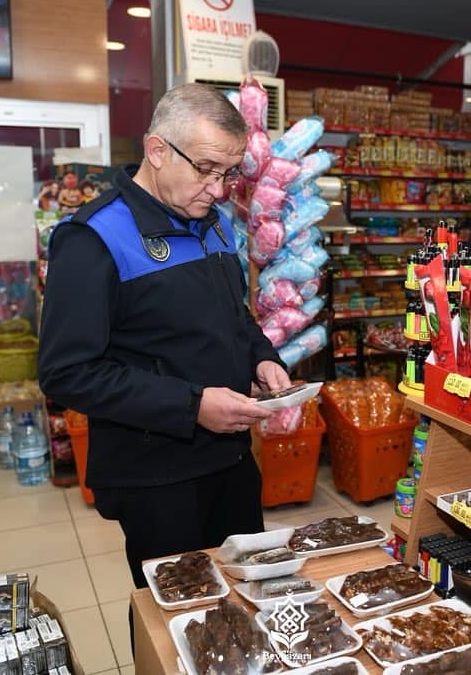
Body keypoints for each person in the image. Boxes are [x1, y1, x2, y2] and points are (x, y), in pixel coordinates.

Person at [38, 83, 291, 606]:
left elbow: (233, 316)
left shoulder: (214, 225)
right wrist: (193, 406)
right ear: (157, 151)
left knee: (249, 601)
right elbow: (67, 372)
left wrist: (262, 357)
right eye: (205, 169)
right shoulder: (93, 238)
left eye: (228, 174)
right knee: (176, 618)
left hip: (230, 460)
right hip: (155, 476)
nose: (219, 190)